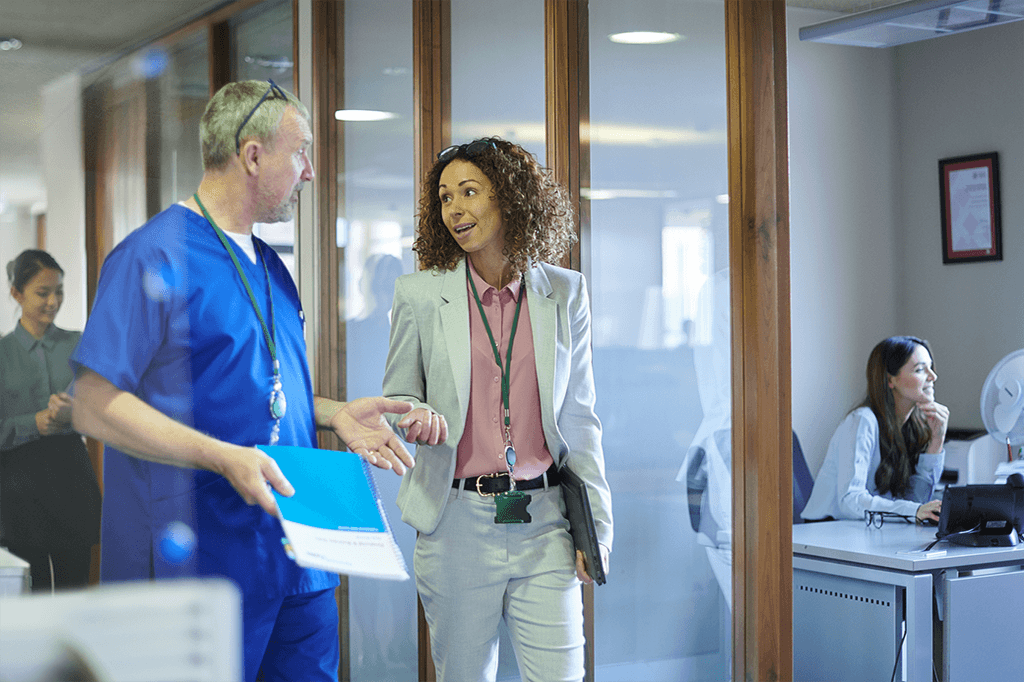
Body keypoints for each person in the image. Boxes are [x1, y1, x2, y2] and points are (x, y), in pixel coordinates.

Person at [70, 80, 415, 682]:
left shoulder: (272, 266)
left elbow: (256, 389)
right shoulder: (152, 257)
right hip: (202, 565)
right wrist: (224, 457)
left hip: (299, 557)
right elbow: (96, 405)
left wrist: (331, 414)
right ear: (253, 156)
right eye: (300, 151)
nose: (309, 172)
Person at [382, 137, 613, 682]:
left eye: (469, 192)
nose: (455, 209)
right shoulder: (420, 295)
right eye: (444, 198)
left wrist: (597, 529)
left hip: (545, 521)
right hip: (455, 521)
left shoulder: (565, 292)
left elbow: (580, 419)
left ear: (510, 198)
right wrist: (413, 414)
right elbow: (397, 397)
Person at [0, 250, 101, 591]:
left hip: (71, 477)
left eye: (58, 291)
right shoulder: (2, 354)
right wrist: (35, 422)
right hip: (20, 489)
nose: (53, 301)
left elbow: (104, 409)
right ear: (17, 293)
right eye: (42, 292)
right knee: (35, 593)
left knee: (77, 590)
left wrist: (75, 413)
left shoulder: (78, 344)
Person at [801, 335, 949, 523]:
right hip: (830, 531)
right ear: (890, 380)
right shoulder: (862, 421)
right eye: (920, 369)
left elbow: (916, 505)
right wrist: (914, 510)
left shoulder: (914, 425)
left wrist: (936, 440)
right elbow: (850, 500)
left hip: (866, 530)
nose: (933, 376)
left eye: (931, 367)